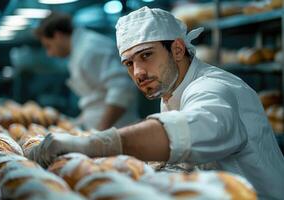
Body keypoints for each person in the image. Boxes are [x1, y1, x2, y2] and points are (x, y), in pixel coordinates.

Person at [31, 7, 284, 199]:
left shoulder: (213, 88)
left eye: (146, 55)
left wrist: (91, 144)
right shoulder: (172, 89)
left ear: (177, 49)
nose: (138, 72)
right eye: (129, 63)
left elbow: (193, 128)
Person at [35, 12, 139, 130]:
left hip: (118, 131)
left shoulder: (91, 48)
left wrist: (100, 131)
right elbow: (95, 99)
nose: (49, 54)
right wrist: (76, 123)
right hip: (101, 132)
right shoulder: (79, 51)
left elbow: (122, 89)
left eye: (48, 46)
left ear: (58, 36)